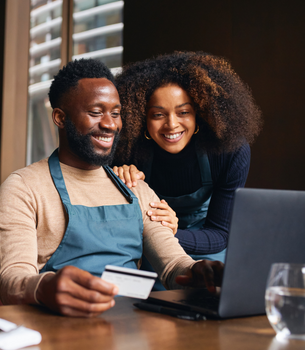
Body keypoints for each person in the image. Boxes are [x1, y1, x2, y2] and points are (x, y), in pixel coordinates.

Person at [0, 58, 223, 317]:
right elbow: (10, 280)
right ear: (60, 118)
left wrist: (199, 272)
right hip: (55, 329)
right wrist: (45, 286)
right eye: (95, 112)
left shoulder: (134, 187)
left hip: (131, 330)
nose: (110, 124)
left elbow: (173, 266)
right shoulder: (24, 188)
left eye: (115, 113)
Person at [112, 52, 262, 280]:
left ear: (199, 114)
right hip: (152, 249)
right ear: (141, 118)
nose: (172, 124)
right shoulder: (127, 151)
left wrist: (172, 231)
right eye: (158, 114)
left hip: (209, 249)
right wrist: (119, 179)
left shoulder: (229, 151)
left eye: (183, 112)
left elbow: (220, 233)